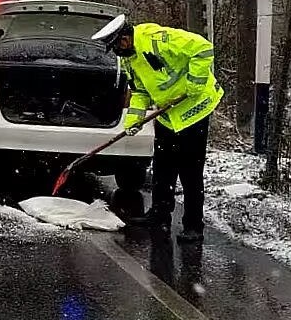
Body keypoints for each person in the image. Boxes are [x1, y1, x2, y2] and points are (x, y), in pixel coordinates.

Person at [92, 14, 223, 241]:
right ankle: (160, 214)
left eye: (116, 47)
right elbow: (141, 92)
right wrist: (133, 119)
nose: (116, 53)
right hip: (168, 114)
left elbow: (203, 48)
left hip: (194, 108)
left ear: (125, 38)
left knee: (190, 172)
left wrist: (196, 82)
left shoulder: (157, 39)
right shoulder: (129, 59)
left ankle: (194, 226)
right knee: (163, 167)